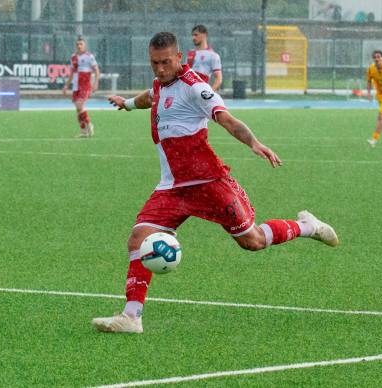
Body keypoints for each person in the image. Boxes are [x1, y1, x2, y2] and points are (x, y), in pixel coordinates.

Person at [92, 32, 339, 333]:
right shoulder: (160, 84)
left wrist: (254, 143)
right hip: (172, 186)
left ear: (179, 57)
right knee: (138, 238)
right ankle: (132, 317)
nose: (159, 69)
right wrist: (127, 104)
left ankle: (308, 226)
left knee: (253, 242)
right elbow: (150, 96)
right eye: (154, 63)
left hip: (208, 182)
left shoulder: (196, 87)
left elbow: (226, 119)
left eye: (166, 62)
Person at [62, 37, 99, 138]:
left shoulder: (89, 56)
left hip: (85, 85)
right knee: (78, 109)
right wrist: (66, 85)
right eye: (77, 44)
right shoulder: (73, 57)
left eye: (81, 44)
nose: (79, 46)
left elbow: (96, 70)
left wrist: (96, 83)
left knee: (79, 105)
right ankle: (83, 130)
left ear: (84, 45)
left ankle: (89, 124)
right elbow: (72, 73)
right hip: (76, 86)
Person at [186, 24, 222, 91]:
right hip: (189, 93)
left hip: (202, 91)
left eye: (196, 35)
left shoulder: (213, 55)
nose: (193, 38)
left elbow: (218, 79)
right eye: (192, 35)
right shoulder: (190, 54)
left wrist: (209, 93)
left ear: (204, 35)